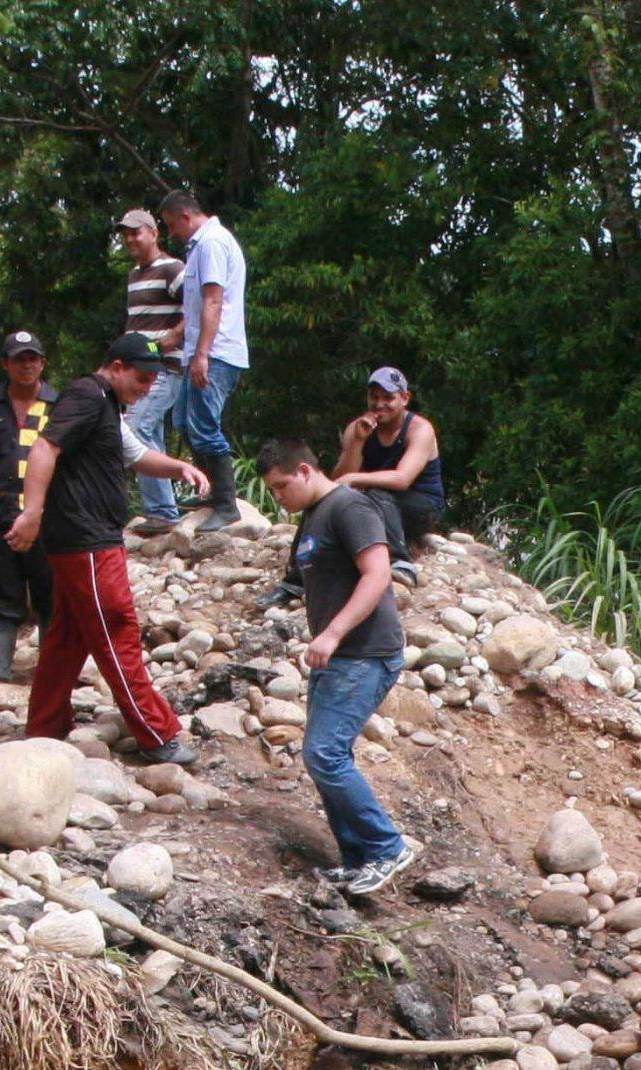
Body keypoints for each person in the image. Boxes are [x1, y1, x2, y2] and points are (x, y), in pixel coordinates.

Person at [0, 333, 202, 765]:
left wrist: (180, 466)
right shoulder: (88, 395)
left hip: (86, 541)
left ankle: (45, 727)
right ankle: (155, 733)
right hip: (87, 542)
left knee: (68, 639)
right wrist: (31, 513)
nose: (146, 387)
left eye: (152, 380)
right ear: (115, 366)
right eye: (141, 377)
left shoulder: (106, 406)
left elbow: (136, 455)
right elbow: (44, 448)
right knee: (116, 632)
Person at [255, 437, 419, 897]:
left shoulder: (351, 508)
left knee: (323, 754)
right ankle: (357, 859)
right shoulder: (313, 516)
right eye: (272, 491)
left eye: (282, 486)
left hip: (365, 652)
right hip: (340, 656)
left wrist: (332, 633)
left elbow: (378, 574)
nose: (279, 498)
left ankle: (387, 847)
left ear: (306, 471)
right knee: (328, 755)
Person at [158, 187, 248, 536]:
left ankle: (226, 505)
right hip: (203, 350)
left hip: (216, 353)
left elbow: (213, 302)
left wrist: (201, 355)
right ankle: (210, 494)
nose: (170, 233)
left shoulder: (211, 244)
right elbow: (197, 308)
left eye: (170, 225)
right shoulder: (200, 247)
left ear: (185, 216)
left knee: (205, 427)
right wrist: (177, 339)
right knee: (184, 420)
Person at [0, 332, 56, 685]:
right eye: (19, 359)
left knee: (50, 590)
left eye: (33, 358)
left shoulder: (58, 405)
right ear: (5, 364)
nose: (27, 365)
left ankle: (51, 666)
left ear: (42, 363)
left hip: (47, 519)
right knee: (2, 591)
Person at [332, 366, 443, 586]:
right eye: (374, 397)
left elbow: (402, 479)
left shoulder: (419, 429)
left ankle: (401, 562)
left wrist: (356, 479)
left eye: (388, 398)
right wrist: (358, 442)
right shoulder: (357, 428)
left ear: (404, 398)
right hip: (375, 503)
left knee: (377, 493)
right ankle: (295, 578)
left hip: (420, 505)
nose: (379, 404)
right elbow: (339, 479)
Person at [118, 206, 190, 536]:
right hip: (138, 370)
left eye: (137, 232)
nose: (131, 238)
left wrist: (175, 335)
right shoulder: (134, 275)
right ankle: (161, 510)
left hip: (164, 368)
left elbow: (200, 306)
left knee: (135, 429)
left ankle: (162, 511)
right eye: (127, 233)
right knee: (148, 432)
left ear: (154, 233)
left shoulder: (171, 268)